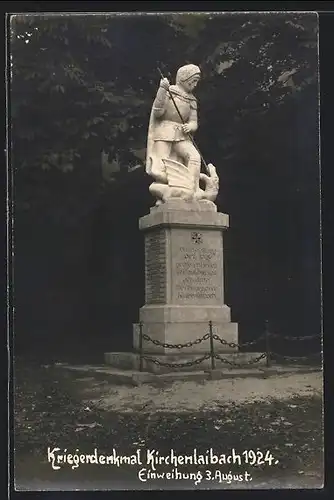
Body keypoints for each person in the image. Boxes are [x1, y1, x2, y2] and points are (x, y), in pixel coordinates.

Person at [146, 64, 202, 196]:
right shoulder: (169, 91)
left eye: (196, 82)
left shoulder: (192, 99)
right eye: (193, 81)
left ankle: (193, 188)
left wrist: (191, 126)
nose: (195, 85)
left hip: (182, 135)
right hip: (164, 131)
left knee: (194, 157)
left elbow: (194, 121)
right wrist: (162, 90)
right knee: (161, 164)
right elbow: (158, 112)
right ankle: (165, 190)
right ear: (184, 78)